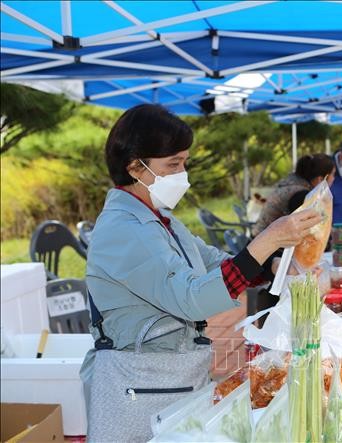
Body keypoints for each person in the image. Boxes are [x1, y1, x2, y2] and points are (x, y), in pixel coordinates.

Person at [80, 104, 321, 441]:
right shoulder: (123, 229)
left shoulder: (158, 219)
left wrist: (270, 264)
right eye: (173, 165)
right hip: (139, 390)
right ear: (135, 167)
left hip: (169, 379)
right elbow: (192, 298)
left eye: (184, 163)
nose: (184, 175)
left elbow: (215, 264)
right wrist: (267, 240)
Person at [252, 153, 335, 237]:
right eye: (333, 174)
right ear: (320, 179)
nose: (334, 179)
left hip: (259, 242)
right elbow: (313, 230)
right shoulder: (300, 195)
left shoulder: (291, 184)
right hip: (266, 246)